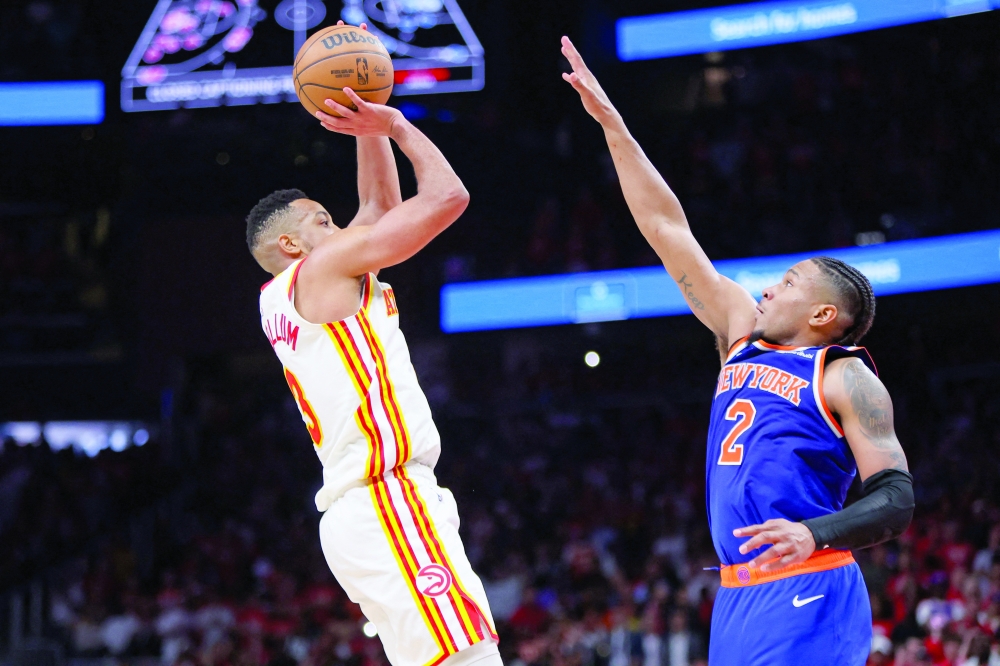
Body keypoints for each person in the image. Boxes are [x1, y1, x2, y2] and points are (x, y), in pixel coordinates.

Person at [560, 36, 914, 665]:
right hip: (737, 591)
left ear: (823, 314)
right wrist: (612, 124)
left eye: (789, 283)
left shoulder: (843, 376)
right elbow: (667, 228)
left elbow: (895, 498)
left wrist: (813, 532)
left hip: (811, 578)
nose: (769, 288)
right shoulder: (738, 338)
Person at [246, 23, 499, 666]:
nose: (344, 225)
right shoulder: (323, 272)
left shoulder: (292, 291)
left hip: (365, 511)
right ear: (291, 247)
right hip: (386, 499)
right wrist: (395, 126)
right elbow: (447, 197)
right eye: (324, 221)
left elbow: (380, 208)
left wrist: (366, 132)